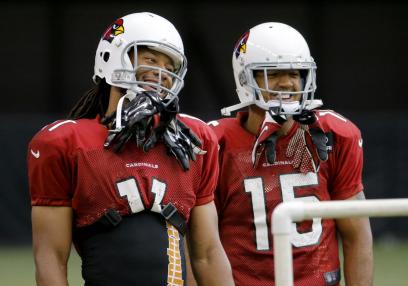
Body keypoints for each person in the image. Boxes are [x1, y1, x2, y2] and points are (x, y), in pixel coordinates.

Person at [27, 12, 233, 286]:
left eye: (169, 66)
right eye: (150, 60)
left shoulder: (192, 141)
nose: (162, 73)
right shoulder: (65, 143)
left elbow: (207, 253)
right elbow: (51, 256)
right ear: (112, 58)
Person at [208, 22, 373, 286]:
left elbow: (357, 235)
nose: (287, 83)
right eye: (272, 74)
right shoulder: (216, 143)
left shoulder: (333, 135)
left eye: (295, 73)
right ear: (245, 80)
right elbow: (201, 246)